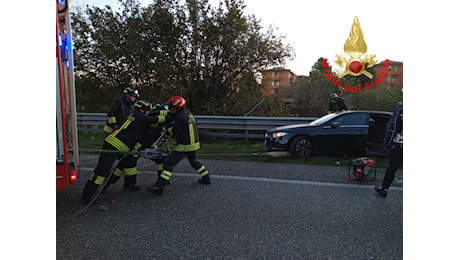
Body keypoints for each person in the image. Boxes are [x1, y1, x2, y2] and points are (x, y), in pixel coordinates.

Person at [81, 99, 167, 204]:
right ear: (142, 110)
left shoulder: (136, 116)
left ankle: (106, 187)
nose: (149, 112)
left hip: (119, 147)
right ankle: (87, 196)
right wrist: (168, 115)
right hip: (113, 145)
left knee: (121, 166)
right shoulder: (138, 116)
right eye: (148, 110)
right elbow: (154, 120)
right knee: (101, 171)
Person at [147, 96, 211, 196]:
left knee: (168, 164)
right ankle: (206, 177)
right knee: (194, 161)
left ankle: (159, 187)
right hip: (194, 143)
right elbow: (172, 116)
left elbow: (175, 131)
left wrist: (166, 129)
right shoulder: (186, 113)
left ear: (177, 107)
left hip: (185, 145)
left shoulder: (181, 117)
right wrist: (157, 112)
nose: (170, 108)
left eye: (172, 106)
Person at [102, 86, 141, 191]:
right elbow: (110, 114)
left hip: (121, 136)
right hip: (111, 136)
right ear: (127, 95)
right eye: (133, 97)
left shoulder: (130, 106)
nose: (134, 99)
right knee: (108, 163)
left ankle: (129, 185)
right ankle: (102, 185)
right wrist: (114, 126)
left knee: (127, 161)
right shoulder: (118, 102)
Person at [375, 101, 403, 197]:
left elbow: (392, 128)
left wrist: (387, 144)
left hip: (400, 144)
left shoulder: (400, 110)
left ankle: (384, 189)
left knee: (392, 167)